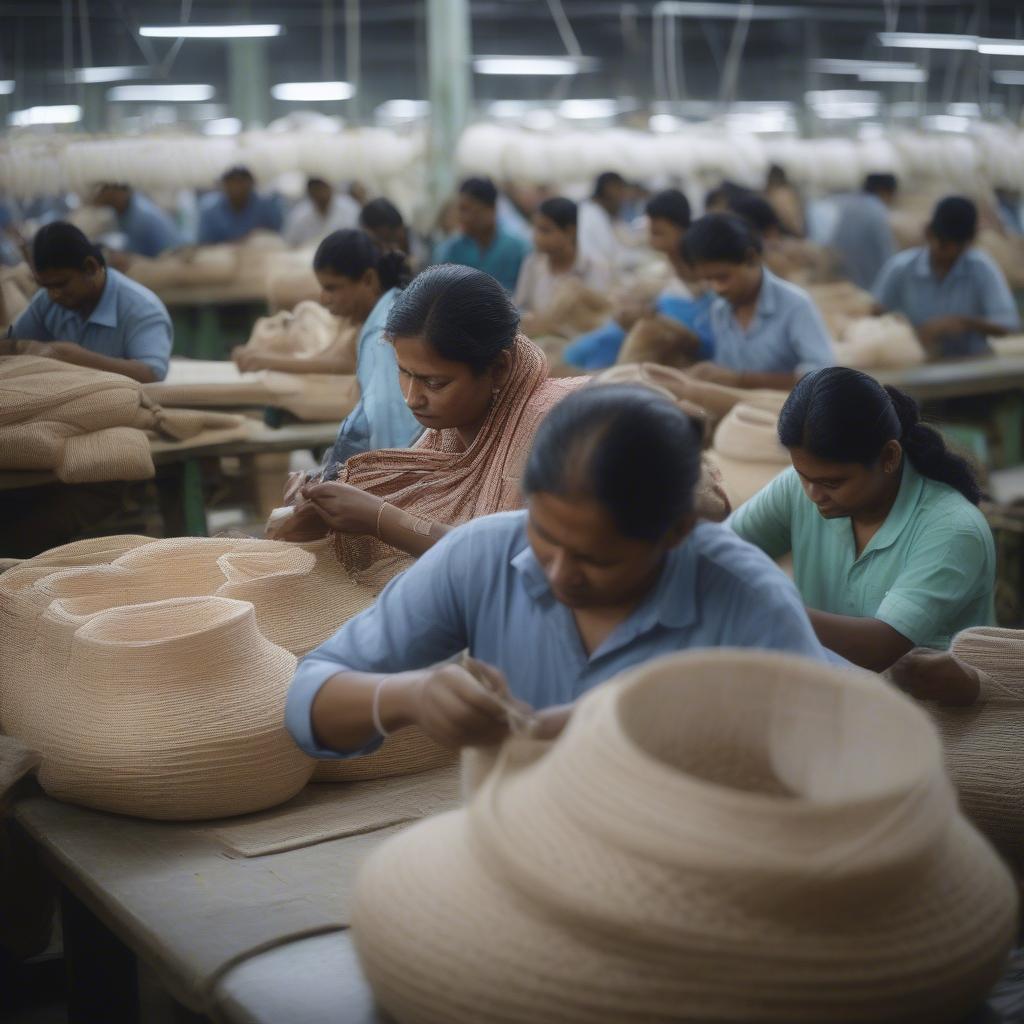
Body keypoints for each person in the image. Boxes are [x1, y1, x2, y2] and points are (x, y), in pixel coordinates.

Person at [284, 384, 831, 758]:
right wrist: (406, 697)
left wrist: (615, 728)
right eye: (544, 538)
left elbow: (826, 763)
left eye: (598, 560)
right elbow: (308, 700)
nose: (561, 574)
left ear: (677, 533)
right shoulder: (484, 556)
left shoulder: (747, 599)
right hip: (536, 857)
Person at [269, 263, 586, 549]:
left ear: (498, 369)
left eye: (435, 383)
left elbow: (512, 559)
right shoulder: (446, 434)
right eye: (404, 372)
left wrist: (378, 519)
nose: (412, 397)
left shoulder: (551, 429)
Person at [728, 367, 994, 672]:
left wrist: (770, 608)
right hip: (833, 698)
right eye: (803, 476)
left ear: (889, 458)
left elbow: (880, 649)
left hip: (929, 715)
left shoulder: (952, 529)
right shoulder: (799, 487)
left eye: (833, 483)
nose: (814, 494)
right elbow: (719, 553)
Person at [294, 229, 420, 478]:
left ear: (369, 280)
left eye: (332, 288)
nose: (324, 298)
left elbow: (388, 426)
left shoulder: (381, 334)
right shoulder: (393, 309)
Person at [4, 221, 172, 383]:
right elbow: (11, 344)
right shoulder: (46, 300)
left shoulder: (142, 309)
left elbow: (152, 373)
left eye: (61, 284)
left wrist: (76, 358)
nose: (53, 294)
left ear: (90, 267)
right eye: (46, 286)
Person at [681, 213, 834, 389]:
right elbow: (727, 372)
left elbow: (824, 376)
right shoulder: (720, 310)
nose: (717, 288)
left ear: (751, 258)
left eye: (722, 277)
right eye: (708, 280)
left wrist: (742, 380)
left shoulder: (795, 305)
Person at [563, 189, 710, 370]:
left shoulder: (696, 270)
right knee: (575, 294)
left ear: (681, 229)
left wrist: (651, 315)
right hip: (645, 326)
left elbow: (697, 322)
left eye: (660, 230)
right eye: (652, 227)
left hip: (670, 338)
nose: (652, 231)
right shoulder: (669, 269)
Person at [872, 196, 1020, 358]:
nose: (950, 252)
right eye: (943, 244)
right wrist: (905, 332)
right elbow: (874, 315)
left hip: (972, 362)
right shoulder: (900, 268)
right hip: (918, 362)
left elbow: (1008, 323)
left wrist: (965, 323)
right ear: (928, 233)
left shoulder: (981, 267)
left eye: (958, 246)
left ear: (970, 242)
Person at [513, 197, 611, 334]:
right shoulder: (533, 263)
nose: (536, 237)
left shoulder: (595, 266)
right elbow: (520, 307)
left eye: (545, 230)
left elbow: (601, 317)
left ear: (570, 231)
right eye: (535, 229)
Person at [433, 178, 530, 292]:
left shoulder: (518, 249)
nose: (462, 217)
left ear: (491, 210)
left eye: (467, 210)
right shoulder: (450, 250)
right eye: (460, 210)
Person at [826, 173, 898, 291]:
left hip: (846, 282)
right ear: (885, 192)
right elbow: (887, 256)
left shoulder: (847, 206)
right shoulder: (877, 212)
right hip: (870, 286)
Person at [92, 183, 183, 259]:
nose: (99, 193)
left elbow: (134, 256)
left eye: (104, 189)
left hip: (169, 259)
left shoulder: (140, 217)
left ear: (119, 192)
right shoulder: (126, 208)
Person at [197, 166, 284, 245]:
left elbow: (279, 235)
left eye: (241, 182)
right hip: (221, 257)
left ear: (251, 183)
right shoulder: (210, 209)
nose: (236, 187)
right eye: (231, 182)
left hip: (262, 255)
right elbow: (204, 243)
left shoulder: (267, 205)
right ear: (223, 184)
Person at [283, 178, 361, 248]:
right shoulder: (300, 214)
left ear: (330, 188)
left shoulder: (350, 208)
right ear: (310, 192)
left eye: (322, 188)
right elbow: (289, 243)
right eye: (315, 189)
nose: (320, 193)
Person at [577, 171, 628, 270]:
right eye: (621, 192)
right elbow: (595, 258)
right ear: (610, 189)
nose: (623, 199)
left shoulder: (599, 214)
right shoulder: (589, 216)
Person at [763, 164, 805, 237]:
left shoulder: (779, 194)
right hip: (784, 233)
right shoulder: (785, 193)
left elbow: (790, 216)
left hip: (784, 234)